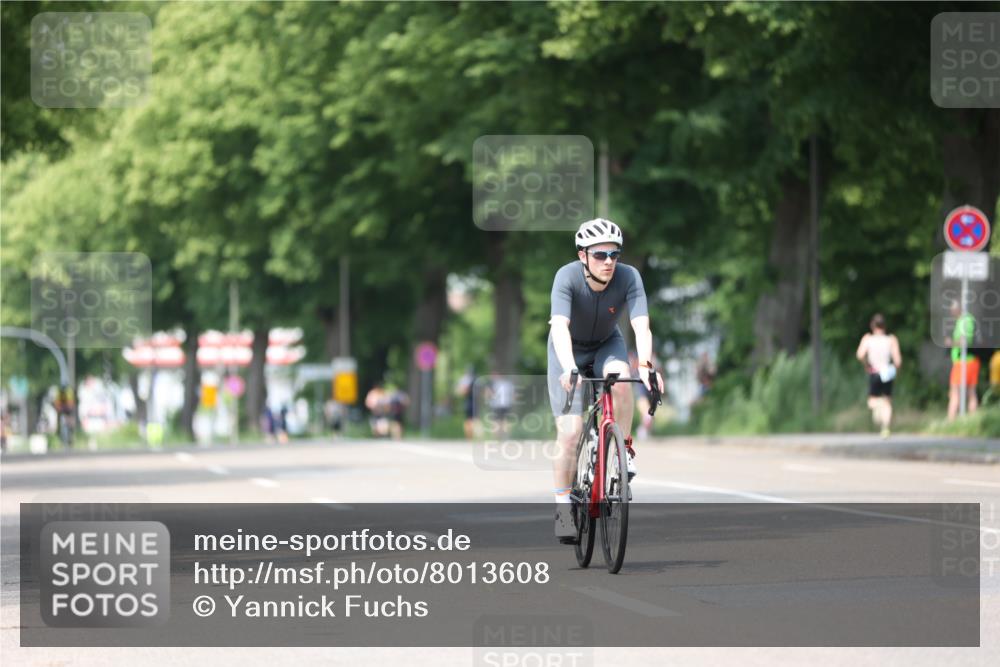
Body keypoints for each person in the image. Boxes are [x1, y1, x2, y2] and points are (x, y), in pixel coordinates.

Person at [548, 218, 663, 542]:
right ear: (583, 256)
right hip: (567, 349)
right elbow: (559, 327)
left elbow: (641, 326)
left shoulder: (629, 277)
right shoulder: (566, 276)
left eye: (614, 254)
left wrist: (647, 366)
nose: (609, 262)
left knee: (622, 379)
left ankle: (622, 449)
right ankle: (563, 507)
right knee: (570, 433)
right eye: (600, 255)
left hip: (606, 343)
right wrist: (569, 367)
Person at [855, 313, 902, 438]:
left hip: (874, 371)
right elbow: (898, 361)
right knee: (887, 402)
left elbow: (860, 355)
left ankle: (880, 412)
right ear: (884, 326)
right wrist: (895, 371)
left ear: (872, 325)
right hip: (887, 372)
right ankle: (886, 427)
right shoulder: (891, 339)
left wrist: (866, 364)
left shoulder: (868, 339)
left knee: (872, 402)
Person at [945, 300, 979, 419]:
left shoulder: (966, 320)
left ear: (958, 308)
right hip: (967, 361)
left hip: (964, 362)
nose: (951, 312)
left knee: (955, 392)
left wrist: (951, 343)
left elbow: (965, 341)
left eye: (952, 309)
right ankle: (971, 420)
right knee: (970, 392)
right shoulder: (963, 320)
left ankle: (951, 421)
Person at [455, 365, 477, 440]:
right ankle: (472, 437)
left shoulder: (466, 379)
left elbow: (461, 391)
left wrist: (465, 390)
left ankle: (469, 437)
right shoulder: (476, 379)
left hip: (469, 402)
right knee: (474, 420)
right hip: (474, 402)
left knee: (469, 420)